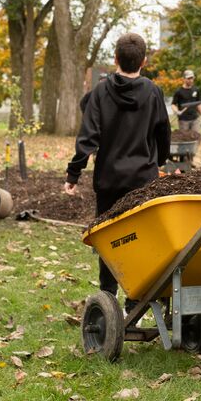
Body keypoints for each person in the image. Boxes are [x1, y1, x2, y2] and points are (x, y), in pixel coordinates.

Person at [64, 33, 170, 305]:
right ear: (144, 61)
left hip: (109, 178)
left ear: (115, 59)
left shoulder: (100, 92)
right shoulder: (153, 91)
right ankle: (135, 299)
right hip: (143, 180)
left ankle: (107, 296)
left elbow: (88, 137)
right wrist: (160, 161)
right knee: (141, 238)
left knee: (109, 239)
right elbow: (162, 131)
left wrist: (73, 175)